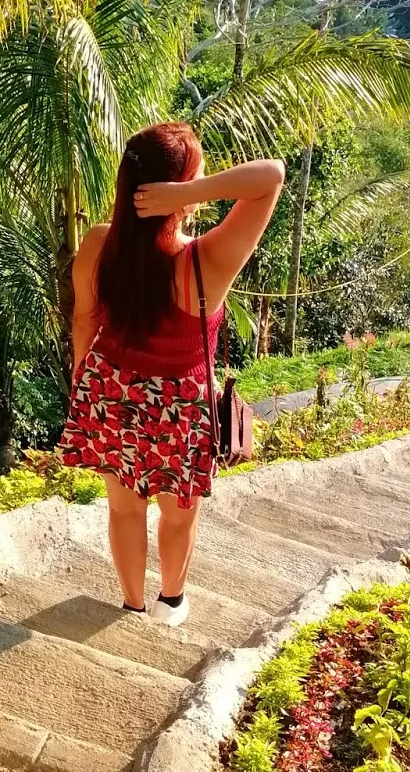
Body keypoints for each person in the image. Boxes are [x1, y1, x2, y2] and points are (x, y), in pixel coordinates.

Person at [59, 122, 284, 627]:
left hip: (111, 388)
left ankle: (132, 605)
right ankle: (171, 603)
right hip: (180, 405)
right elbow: (271, 176)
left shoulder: (99, 243)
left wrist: (81, 388)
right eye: (196, 176)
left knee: (123, 508)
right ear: (175, 189)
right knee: (178, 514)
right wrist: (186, 196)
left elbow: (84, 322)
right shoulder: (206, 260)